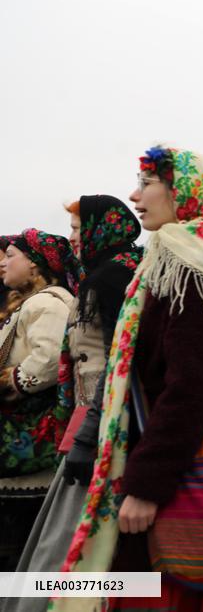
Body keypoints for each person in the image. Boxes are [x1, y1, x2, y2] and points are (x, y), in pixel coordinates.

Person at [60, 147, 203, 610]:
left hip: (184, 480)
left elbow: (190, 393)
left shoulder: (194, 273)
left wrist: (146, 486)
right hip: (177, 467)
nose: (135, 195)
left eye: (147, 183)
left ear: (186, 194)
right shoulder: (178, 258)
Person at [10, 197, 141, 609]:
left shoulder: (112, 277)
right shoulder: (107, 273)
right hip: (96, 417)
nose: (72, 238)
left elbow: (122, 361)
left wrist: (89, 432)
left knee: (78, 538)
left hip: (103, 422)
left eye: (78, 229)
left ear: (103, 229)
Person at [0, 230, 79, 570]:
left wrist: (8, 383)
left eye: (11, 255)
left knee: (21, 554)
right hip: (23, 451)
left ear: (34, 264)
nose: (3, 262)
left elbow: (48, 362)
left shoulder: (47, 303)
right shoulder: (32, 302)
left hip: (30, 448)